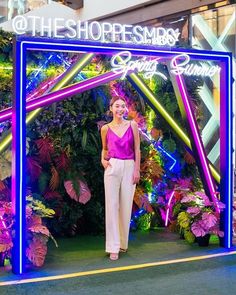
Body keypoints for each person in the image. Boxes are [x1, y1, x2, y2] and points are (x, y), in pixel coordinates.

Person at [100, 96, 140, 261]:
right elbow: (104, 149)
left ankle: (122, 243)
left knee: (125, 205)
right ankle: (112, 247)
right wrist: (102, 160)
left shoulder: (132, 125)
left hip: (129, 166)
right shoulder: (105, 128)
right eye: (117, 106)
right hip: (113, 166)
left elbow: (137, 149)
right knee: (112, 206)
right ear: (111, 108)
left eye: (123, 106)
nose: (120, 109)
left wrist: (137, 169)